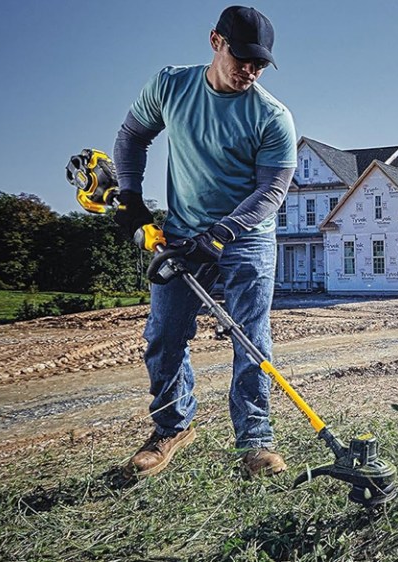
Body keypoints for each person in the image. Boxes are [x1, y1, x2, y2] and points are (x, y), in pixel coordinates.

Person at [110, 5, 297, 479]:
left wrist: (219, 236)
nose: (250, 71)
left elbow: (271, 192)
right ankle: (172, 427)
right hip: (180, 230)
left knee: (250, 339)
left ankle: (255, 441)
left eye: (260, 64)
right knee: (164, 336)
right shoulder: (171, 86)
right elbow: (132, 136)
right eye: (242, 58)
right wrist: (131, 197)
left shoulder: (272, 117)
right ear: (216, 42)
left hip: (246, 239)